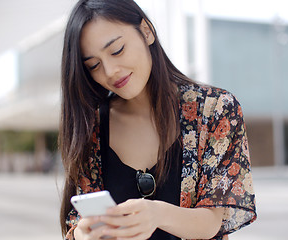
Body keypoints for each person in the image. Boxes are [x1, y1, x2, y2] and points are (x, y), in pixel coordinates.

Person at [59, 0, 257, 239]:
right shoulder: (91, 127)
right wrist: (83, 234)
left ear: (146, 31)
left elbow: (213, 220)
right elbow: (79, 221)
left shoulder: (215, 109)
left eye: (117, 50)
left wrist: (157, 214)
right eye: (94, 65)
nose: (110, 71)